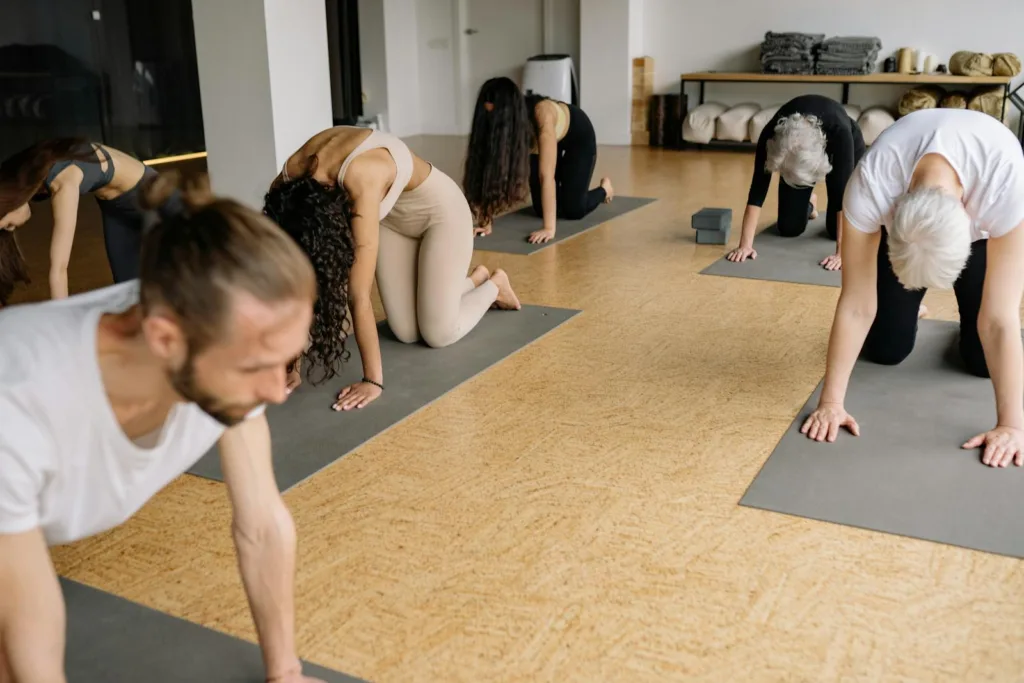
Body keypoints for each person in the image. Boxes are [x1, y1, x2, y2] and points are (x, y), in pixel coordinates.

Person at [0, 171, 326, 683]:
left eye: (283, 359)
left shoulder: (217, 324)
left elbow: (262, 524)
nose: (276, 391)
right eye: (257, 366)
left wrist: (285, 674)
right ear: (165, 340)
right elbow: (28, 628)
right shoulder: (17, 401)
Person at [800, 108, 1024, 469]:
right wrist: (830, 402)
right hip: (912, 232)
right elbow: (857, 303)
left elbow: (1000, 319)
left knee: (984, 361)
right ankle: (910, 307)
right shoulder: (871, 185)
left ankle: (964, 322)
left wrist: (1012, 426)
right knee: (887, 349)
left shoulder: (1006, 183)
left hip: (984, 237)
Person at [264, 125, 521, 412]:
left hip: (442, 216)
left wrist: (372, 381)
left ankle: (495, 284)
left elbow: (358, 295)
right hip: (391, 223)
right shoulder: (288, 185)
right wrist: (291, 363)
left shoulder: (362, 175)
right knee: (407, 331)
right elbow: (292, 276)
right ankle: (474, 279)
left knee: (438, 334)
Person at [0, 138, 183, 306]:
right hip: (117, 210)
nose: (13, 227)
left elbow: (59, 269)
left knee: (195, 264)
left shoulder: (64, 182)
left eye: (7, 224)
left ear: (8, 203)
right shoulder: (32, 173)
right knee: (127, 293)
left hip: (154, 195)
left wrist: (62, 324)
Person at [463, 76, 614, 245]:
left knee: (574, 209)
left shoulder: (542, 113)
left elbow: (546, 176)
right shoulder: (499, 126)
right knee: (541, 209)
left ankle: (605, 190)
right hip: (541, 146)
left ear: (507, 113)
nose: (491, 122)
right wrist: (486, 222)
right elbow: (488, 168)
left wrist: (549, 228)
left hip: (578, 140)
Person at [727, 94, 866, 271]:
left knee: (834, 231)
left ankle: (831, 223)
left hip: (845, 142)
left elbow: (841, 198)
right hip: (797, 148)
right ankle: (810, 203)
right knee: (788, 228)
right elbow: (757, 190)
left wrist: (841, 253)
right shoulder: (771, 136)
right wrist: (744, 245)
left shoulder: (841, 132)